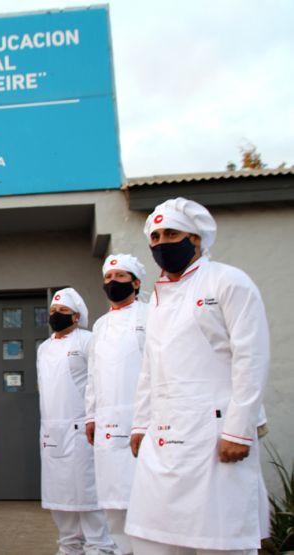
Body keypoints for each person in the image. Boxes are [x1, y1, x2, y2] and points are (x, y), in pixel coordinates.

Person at [126, 197, 270, 554]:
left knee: (220, 538)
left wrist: (239, 429)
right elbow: (150, 368)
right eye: (155, 237)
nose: (161, 243)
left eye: (171, 233)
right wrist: (141, 425)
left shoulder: (229, 281)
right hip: (164, 436)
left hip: (216, 435)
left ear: (195, 238)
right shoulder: (157, 298)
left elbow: (251, 357)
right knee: (153, 536)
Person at [38, 287, 118, 555]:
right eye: (52, 311)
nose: (56, 315)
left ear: (76, 316)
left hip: (82, 429)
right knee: (59, 497)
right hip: (51, 432)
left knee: (87, 493)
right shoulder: (44, 348)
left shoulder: (88, 340)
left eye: (62, 311)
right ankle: (68, 545)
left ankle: (98, 546)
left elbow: (99, 382)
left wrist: (95, 417)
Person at [85, 255, 147, 554]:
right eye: (108, 278)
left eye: (120, 277)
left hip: (141, 419)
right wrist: (90, 417)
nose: (113, 283)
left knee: (143, 499)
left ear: (136, 282)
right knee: (112, 501)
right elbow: (93, 376)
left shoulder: (150, 316)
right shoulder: (100, 324)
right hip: (107, 423)